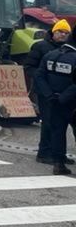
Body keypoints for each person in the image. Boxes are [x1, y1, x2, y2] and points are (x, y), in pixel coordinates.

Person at [28, 19, 74, 164]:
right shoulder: (41, 47)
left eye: (66, 33)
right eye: (60, 32)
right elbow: (30, 67)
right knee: (48, 122)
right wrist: (45, 86)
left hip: (62, 94)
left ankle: (58, 155)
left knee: (60, 125)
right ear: (54, 31)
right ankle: (44, 153)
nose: (63, 35)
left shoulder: (68, 51)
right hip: (45, 92)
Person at [37, 38, 76, 174]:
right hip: (71, 101)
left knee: (57, 132)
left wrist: (50, 95)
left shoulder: (50, 55)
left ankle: (58, 164)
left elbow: (39, 76)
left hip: (53, 100)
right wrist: (63, 97)